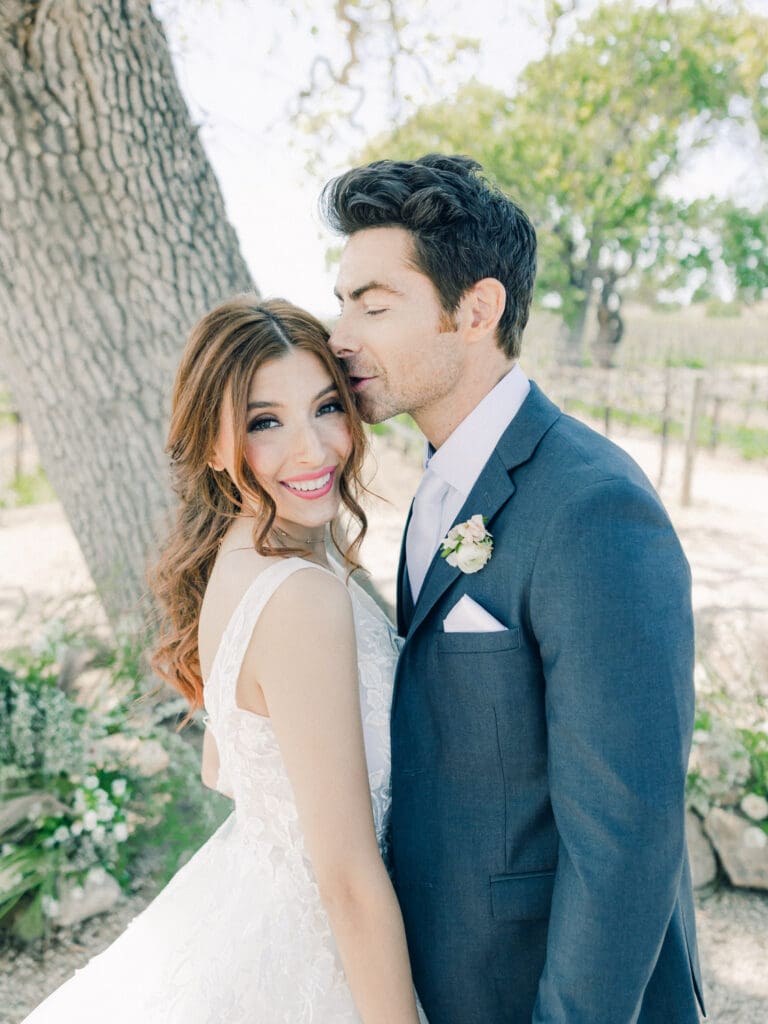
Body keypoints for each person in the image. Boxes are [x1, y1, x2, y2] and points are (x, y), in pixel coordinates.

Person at [321, 154, 705, 1024]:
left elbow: (627, 838)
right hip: (454, 978)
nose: (341, 336)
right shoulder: (438, 481)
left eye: (374, 306)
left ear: (478, 310)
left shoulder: (592, 507)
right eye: (343, 302)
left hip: (551, 992)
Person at [21, 297, 425, 1024]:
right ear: (212, 444)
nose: (313, 450)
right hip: (323, 955)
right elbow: (345, 878)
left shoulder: (240, 560)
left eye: (327, 407)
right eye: (265, 422)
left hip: (255, 911)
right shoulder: (301, 594)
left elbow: (223, 764)